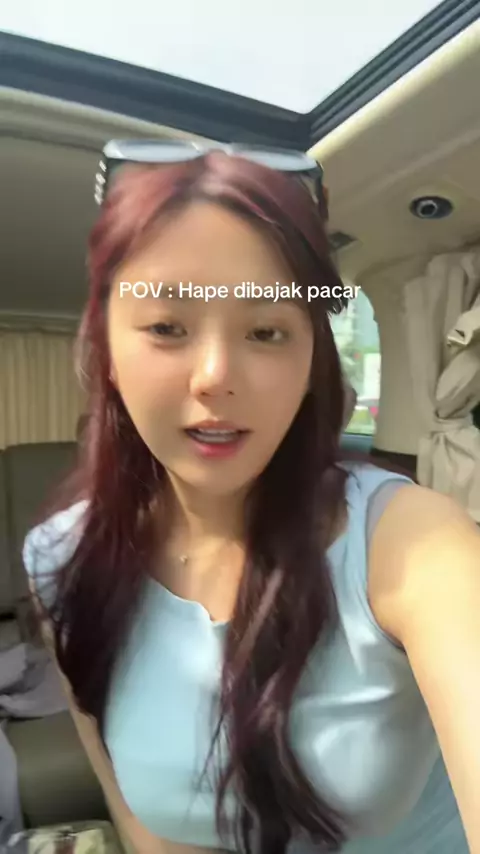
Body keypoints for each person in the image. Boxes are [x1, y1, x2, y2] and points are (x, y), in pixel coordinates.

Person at [22, 142, 480, 854]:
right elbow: (146, 830)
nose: (215, 375)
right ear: (107, 351)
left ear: (310, 359)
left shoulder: (412, 544)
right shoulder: (61, 563)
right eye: (167, 327)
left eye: (266, 331)